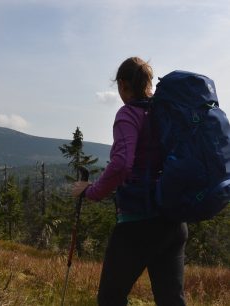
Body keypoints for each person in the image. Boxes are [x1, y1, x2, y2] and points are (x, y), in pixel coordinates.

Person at [72, 57, 188, 306]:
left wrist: (92, 191)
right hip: (173, 221)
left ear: (123, 85)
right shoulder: (164, 112)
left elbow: (123, 163)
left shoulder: (128, 114)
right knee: (171, 300)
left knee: (110, 299)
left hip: (138, 223)